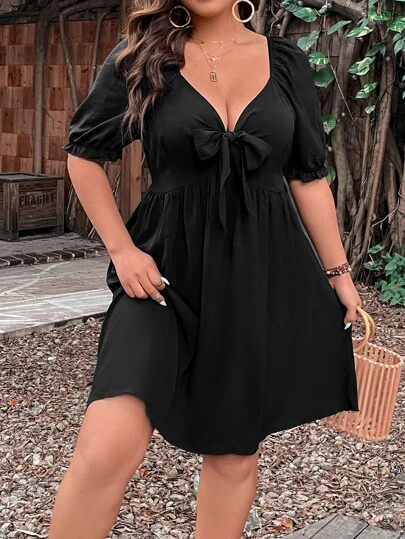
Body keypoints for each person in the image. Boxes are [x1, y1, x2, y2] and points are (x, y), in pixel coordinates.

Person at [49, 1, 362, 537]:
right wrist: (122, 250)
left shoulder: (286, 63)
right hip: (160, 277)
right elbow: (84, 153)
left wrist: (339, 274)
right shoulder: (141, 56)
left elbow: (307, 177)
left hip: (257, 276)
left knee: (234, 452)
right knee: (106, 448)